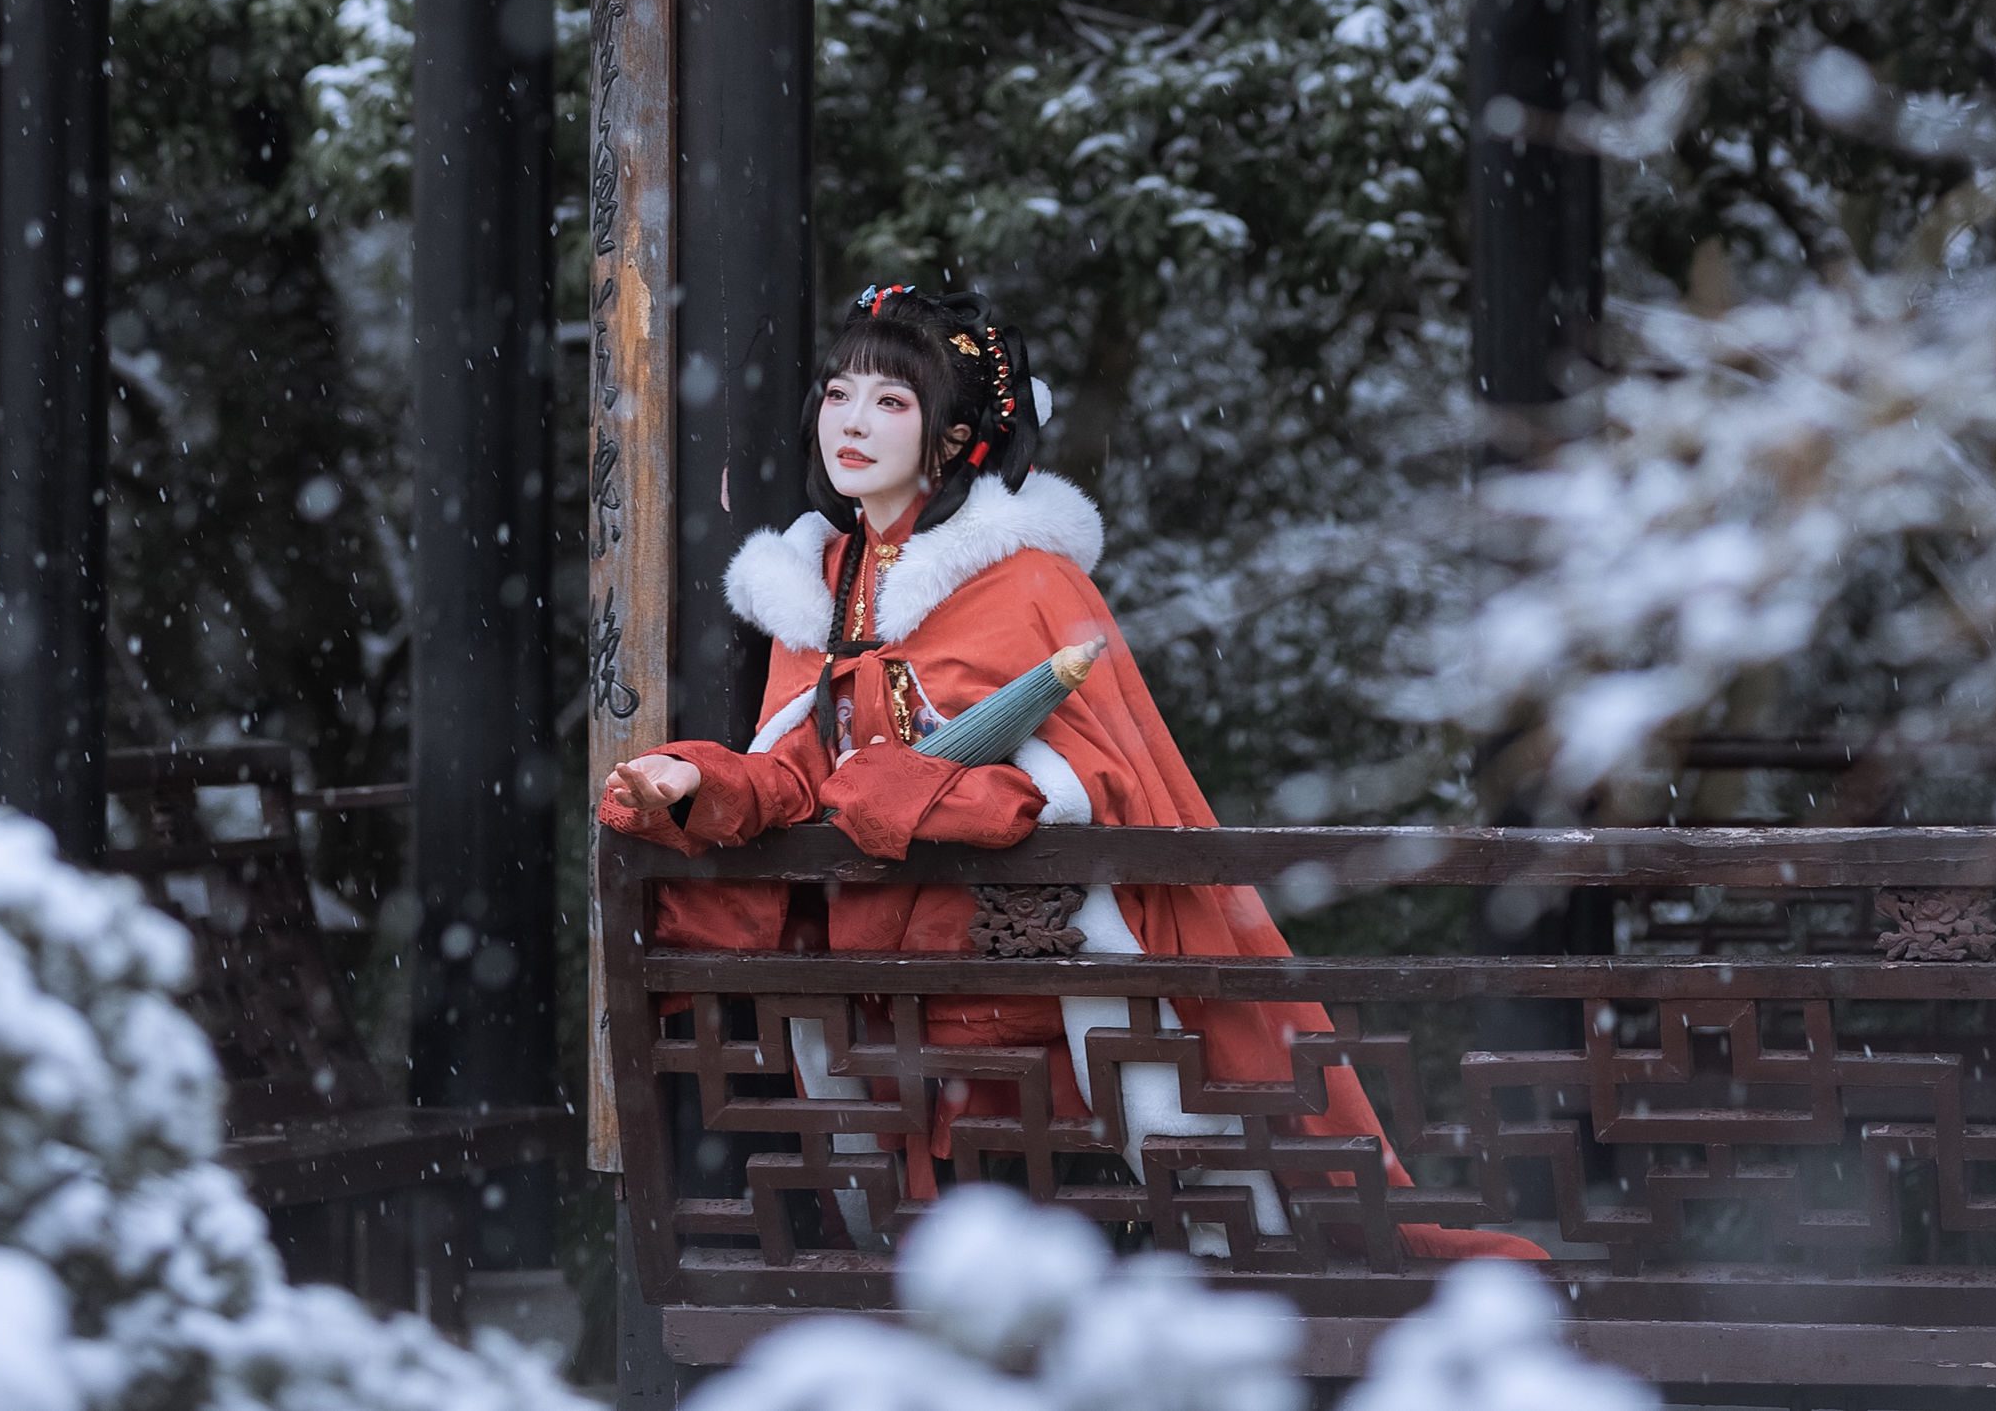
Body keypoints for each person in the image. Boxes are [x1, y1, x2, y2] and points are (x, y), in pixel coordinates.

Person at [599, 279, 1541, 1260]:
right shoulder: (818, 583)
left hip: (1033, 947)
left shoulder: (1030, 581)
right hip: (877, 955)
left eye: (892, 401)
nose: (854, 422)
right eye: (839, 394)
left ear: (957, 435)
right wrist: (693, 784)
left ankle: (1256, 1276)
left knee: (1175, 1139)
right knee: (861, 1154)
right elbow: (794, 767)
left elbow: (1092, 779)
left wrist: (919, 790)